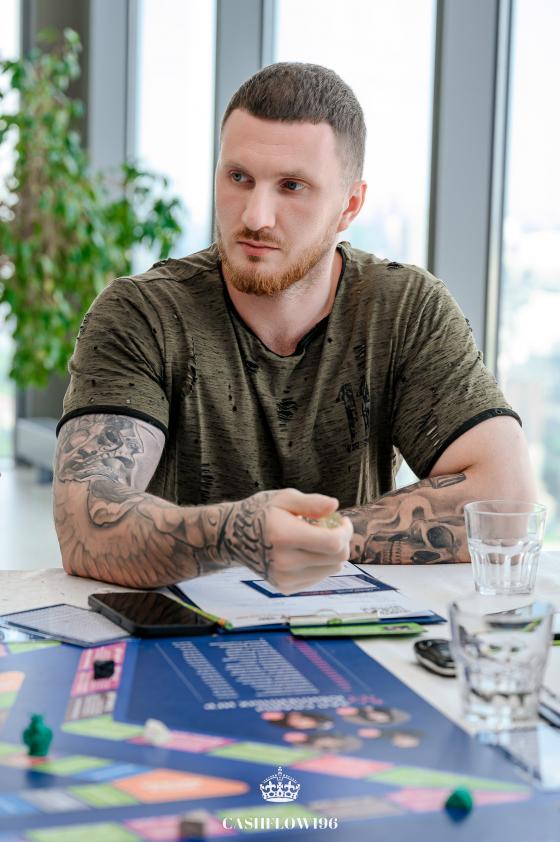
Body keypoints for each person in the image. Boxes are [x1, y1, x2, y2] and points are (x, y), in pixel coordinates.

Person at [53, 63, 535, 591]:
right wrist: (235, 536)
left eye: (292, 186)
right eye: (239, 178)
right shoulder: (141, 312)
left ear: (349, 205)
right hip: (180, 621)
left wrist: (316, 536)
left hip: (353, 621)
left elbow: (507, 501)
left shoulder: (404, 309)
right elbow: (83, 524)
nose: (255, 216)